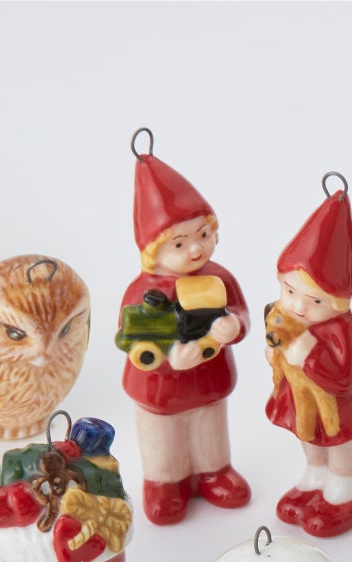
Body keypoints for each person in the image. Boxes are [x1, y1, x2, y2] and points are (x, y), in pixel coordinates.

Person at [117, 136, 250, 525]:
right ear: (153, 252)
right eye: (180, 243)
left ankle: (214, 472)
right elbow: (132, 338)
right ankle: (164, 484)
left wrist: (233, 324)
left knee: (210, 429)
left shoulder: (219, 277)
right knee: (165, 437)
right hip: (160, 390)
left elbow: (240, 312)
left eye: (203, 235)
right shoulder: (141, 292)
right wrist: (169, 355)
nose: (195, 250)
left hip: (208, 381)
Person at [265, 176, 352, 538]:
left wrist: (307, 354)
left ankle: (346, 492)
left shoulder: (341, 327)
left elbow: (344, 378)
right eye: (290, 291)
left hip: (347, 408)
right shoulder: (282, 315)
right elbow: (276, 350)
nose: (298, 306)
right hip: (303, 403)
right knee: (311, 444)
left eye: (315, 300)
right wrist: (274, 353)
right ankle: (315, 479)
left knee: (343, 451)